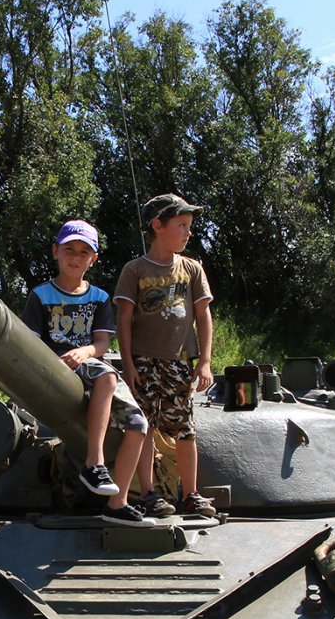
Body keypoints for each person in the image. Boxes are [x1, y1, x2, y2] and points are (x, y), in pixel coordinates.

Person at [22, 219, 156, 526]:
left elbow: (101, 343)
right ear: (55, 252)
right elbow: (30, 342)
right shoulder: (40, 296)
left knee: (138, 424)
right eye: (69, 249)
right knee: (107, 377)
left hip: (88, 363)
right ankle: (94, 463)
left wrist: (84, 352)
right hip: (55, 367)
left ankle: (117, 503)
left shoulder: (99, 298)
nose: (75, 256)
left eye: (84, 252)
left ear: (93, 259)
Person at [113, 194, 217, 518]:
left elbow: (203, 315)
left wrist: (205, 361)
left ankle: (191, 494)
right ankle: (148, 493)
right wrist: (128, 364)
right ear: (158, 226)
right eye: (181, 225)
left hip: (179, 361)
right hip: (143, 360)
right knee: (143, 426)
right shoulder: (135, 270)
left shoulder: (192, 269)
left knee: (184, 427)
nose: (188, 232)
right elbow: (123, 320)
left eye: (189, 226)